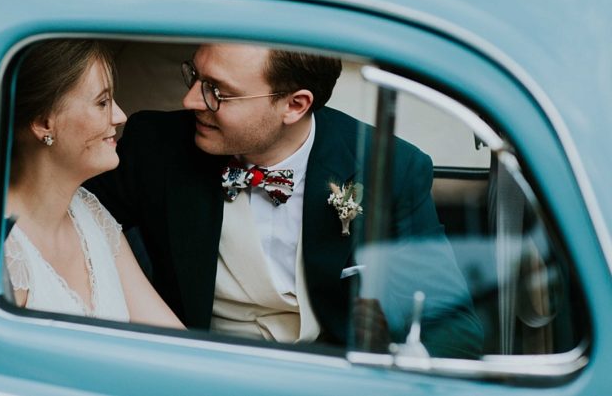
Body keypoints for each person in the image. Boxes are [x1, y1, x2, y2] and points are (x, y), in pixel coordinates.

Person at [89, 41, 483, 357]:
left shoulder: (391, 169)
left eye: (217, 92)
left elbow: (453, 326)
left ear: (295, 105)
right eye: (195, 76)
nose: (192, 100)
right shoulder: (155, 147)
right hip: (199, 369)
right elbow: (70, 222)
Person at [3, 39, 183, 328]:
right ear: (43, 123)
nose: (120, 117)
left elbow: (172, 341)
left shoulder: (90, 214)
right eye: (102, 102)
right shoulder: (4, 253)